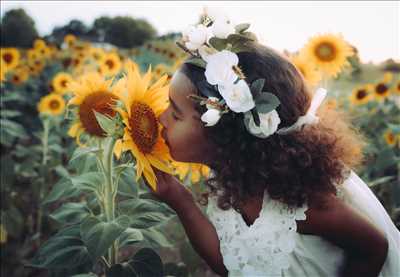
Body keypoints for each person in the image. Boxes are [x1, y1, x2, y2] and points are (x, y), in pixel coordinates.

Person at [143, 17, 400, 277]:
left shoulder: (300, 203)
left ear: (225, 136)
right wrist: (180, 200)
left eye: (175, 114)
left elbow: (374, 248)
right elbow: (233, 263)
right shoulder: (232, 179)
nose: (161, 118)